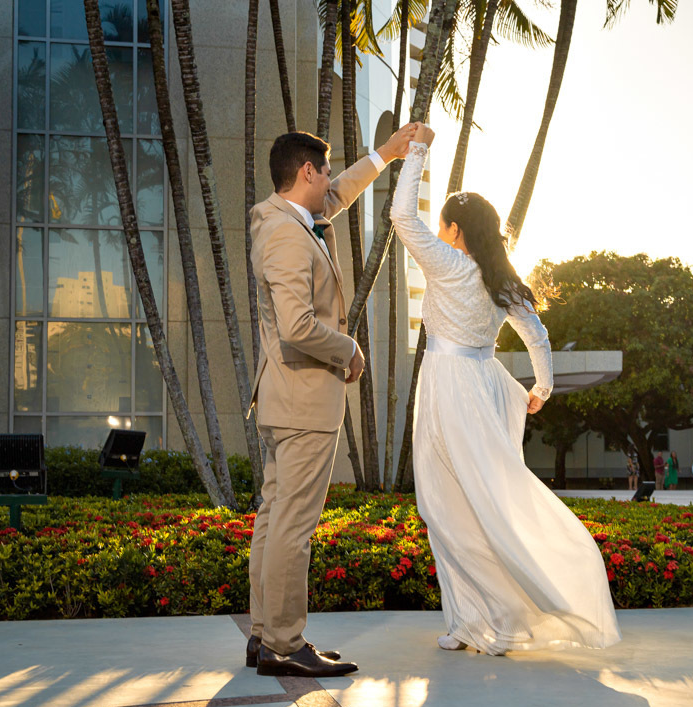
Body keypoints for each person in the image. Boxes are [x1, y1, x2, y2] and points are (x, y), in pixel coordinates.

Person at [389, 123, 620, 655]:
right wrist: (542, 387)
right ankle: (482, 621)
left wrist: (418, 150)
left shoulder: (447, 264)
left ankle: (487, 619)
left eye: (445, 224)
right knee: (484, 503)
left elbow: (401, 216)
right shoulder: (502, 279)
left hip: (449, 390)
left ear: (452, 230)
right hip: (485, 387)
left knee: (445, 505)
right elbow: (536, 335)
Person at [247, 125, 417, 678]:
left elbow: (339, 194)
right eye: (323, 173)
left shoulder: (292, 218)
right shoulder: (288, 235)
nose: (329, 184)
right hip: (303, 401)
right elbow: (297, 325)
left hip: (285, 398)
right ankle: (283, 642)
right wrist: (348, 350)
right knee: (293, 526)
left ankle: (263, 635)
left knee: (274, 520)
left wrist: (385, 155)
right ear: (306, 173)